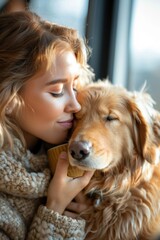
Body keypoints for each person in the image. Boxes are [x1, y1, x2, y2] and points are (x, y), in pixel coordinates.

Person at [0, 10, 95, 239]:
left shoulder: (74, 159)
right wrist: (55, 209)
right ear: (10, 98)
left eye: (74, 87)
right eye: (57, 92)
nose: (76, 105)